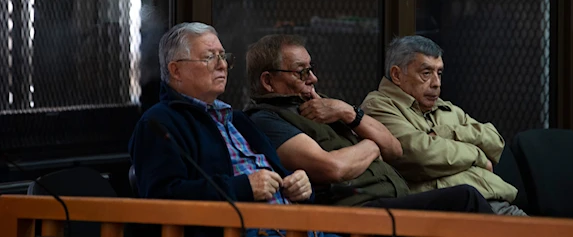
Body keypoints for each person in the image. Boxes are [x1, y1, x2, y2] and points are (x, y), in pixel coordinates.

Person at [244, 34, 493, 213]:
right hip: (358, 211)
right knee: (465, 198)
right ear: (268, 81)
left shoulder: (325, 106)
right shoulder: (267, 119)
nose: (313, 78)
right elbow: (334, 168)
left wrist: (347, 112)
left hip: (391, 200)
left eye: (311, 69)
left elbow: (393, 148)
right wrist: (372, 147)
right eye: (301, 72)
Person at [129, 23, 328, 237]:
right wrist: (244, 188)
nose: (222, 65)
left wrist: (301, 186)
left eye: (223, 56)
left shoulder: (239, 120)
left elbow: (272, 174)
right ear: (176, 70)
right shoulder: (159, 123)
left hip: (303, 229)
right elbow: (163, 200)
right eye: (209, 57)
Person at [360, 35, 526, 216]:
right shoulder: (378, 105)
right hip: (453, 209)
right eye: (426, 73)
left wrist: (446, 134)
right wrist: (477, 155)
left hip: (500, 201)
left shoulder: (444, 107)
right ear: (397, 75)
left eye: (439, 73)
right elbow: (419, 155)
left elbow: (495, 141)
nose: (436, 83)